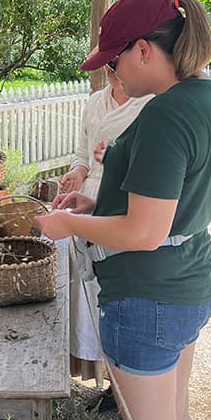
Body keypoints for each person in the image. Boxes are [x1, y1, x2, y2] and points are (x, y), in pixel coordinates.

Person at [36, 0, 211, 420]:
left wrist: (69, 222)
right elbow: (167, 207)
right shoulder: (208, 98)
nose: (113, 73)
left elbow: (145, 232)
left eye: (114, 60)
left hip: (148, 296)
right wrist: (94, 198)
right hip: (191, 280)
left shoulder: (166, 114)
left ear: (143, 50)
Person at [60, 68, 153, 385]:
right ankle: (97, 370)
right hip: (88, 200)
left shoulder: (148, 103)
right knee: (87, 288)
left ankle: (125, 382)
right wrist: (78, 172)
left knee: (118, 293)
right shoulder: (95, 102)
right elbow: (84, 152)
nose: (112, 72)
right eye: (108, 67)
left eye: (118, 64)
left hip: (124, 204)